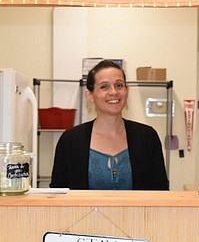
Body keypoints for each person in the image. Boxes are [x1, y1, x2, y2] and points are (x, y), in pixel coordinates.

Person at [50, 60, 169, 190]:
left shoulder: (147, 137)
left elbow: (161, 192)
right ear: (89, 95)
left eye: (119, 85)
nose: (113, 92)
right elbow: (58, 194)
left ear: (126, 91)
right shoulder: (70, 140)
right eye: (104, 87)